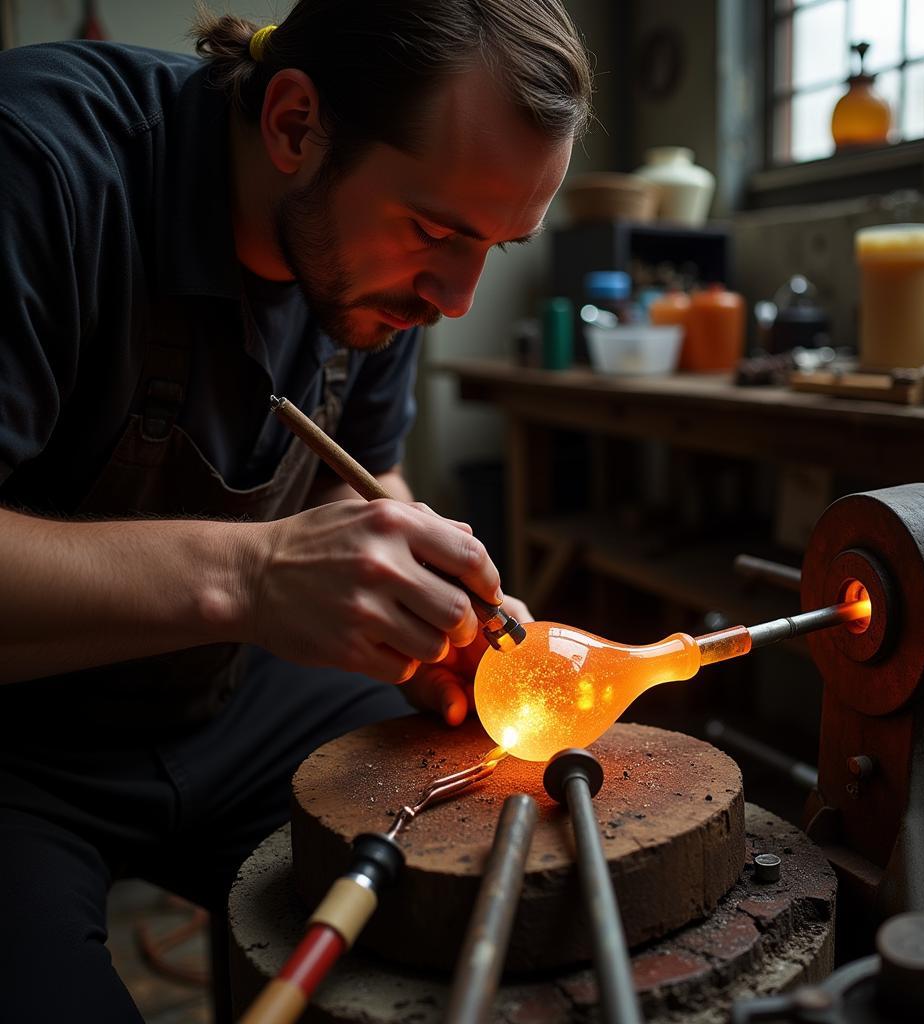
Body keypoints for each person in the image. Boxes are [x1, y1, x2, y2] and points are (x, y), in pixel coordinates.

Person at [0, 1, 592, 1019]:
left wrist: (427, 607)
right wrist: (255, 573)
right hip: (20, 734)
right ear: (292, 124)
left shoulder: (382, 274)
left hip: (224, 701)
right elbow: (269, 563)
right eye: (439, 232)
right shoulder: (42, 170)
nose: (456, 296)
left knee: (512, 893)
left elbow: (357, 475)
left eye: (496, 245)